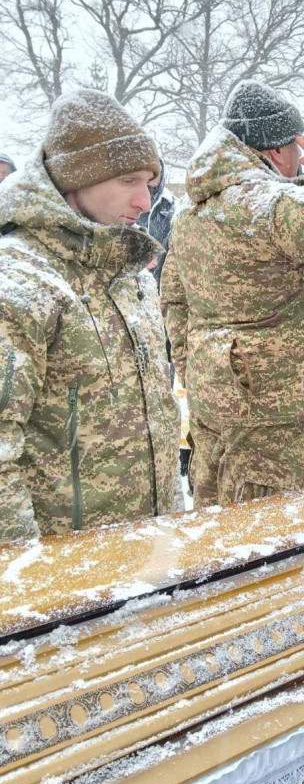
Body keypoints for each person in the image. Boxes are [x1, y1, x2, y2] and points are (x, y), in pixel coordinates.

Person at [161, 80, 304, 507]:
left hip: (221, 398)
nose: (301, 158)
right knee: (263, 535)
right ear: (274, 152)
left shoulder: (195, 208)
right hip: (270, 412)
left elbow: (175, 300)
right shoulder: (267, 203)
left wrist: (202, 371)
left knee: (214, 517)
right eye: (295, 149)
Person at [0, 90, 179, 541]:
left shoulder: (129, 273)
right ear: (77, 178)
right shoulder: (20, 281)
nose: (144, 201)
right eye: (128, 180)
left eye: (150, 184)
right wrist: (31, 579)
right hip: (68, 576)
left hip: (148, 557)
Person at [136, 160, 174, 287]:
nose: (150, 176)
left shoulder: (172, 206)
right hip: (133, 281)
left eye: (155, 172)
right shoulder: (127, 200)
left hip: (163, 281)